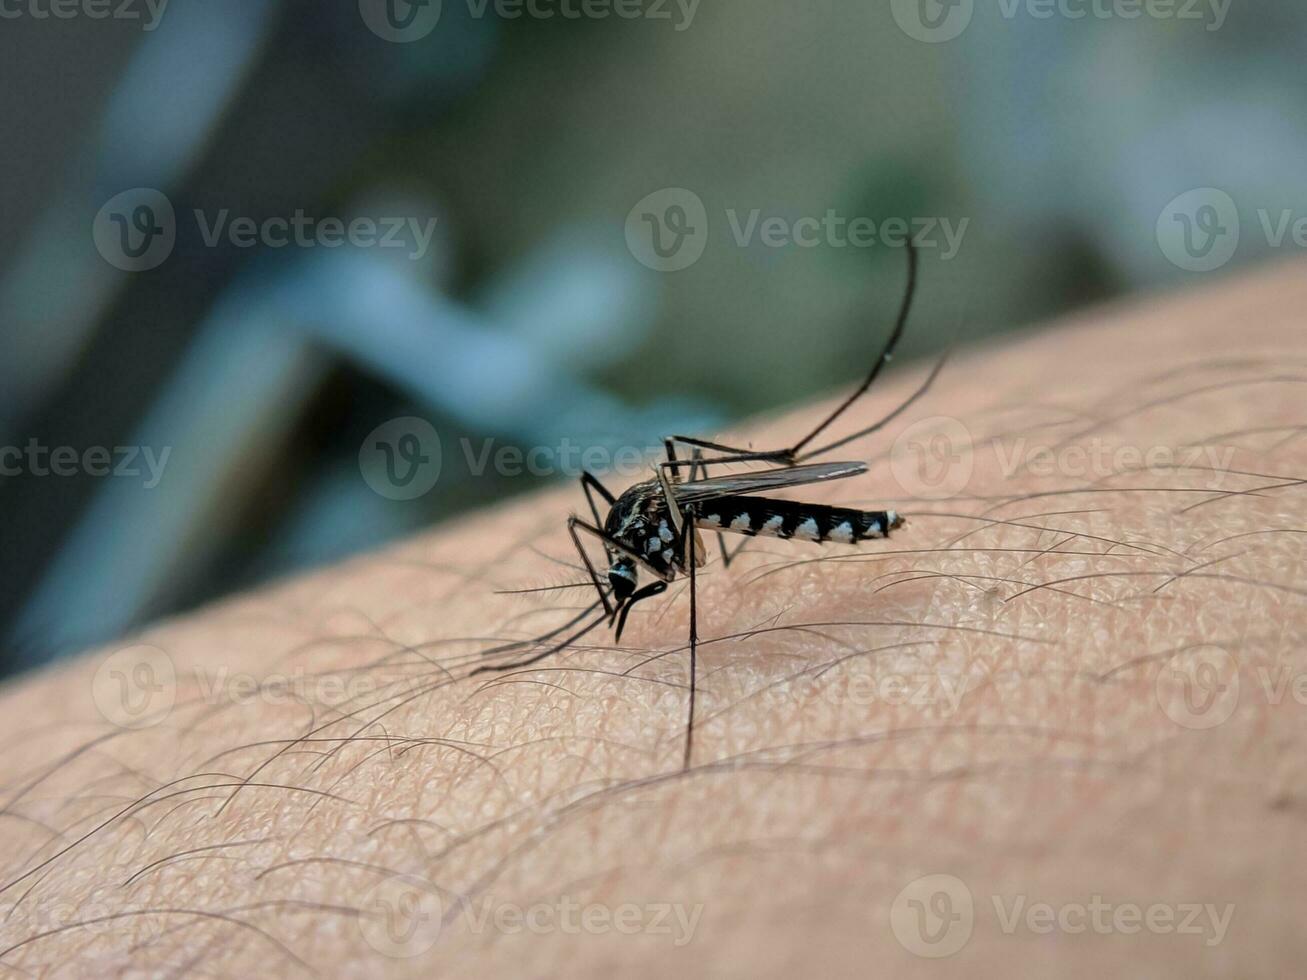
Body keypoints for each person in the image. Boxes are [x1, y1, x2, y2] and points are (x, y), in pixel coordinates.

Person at [0, 258, 1301, 977]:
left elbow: (656, 515)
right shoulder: (613, 543)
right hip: (676, 509)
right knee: (642, 493)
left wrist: (667, 592)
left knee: (690, 483)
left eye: (620, 592)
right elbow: (612, 528)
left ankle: (839, 435)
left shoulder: (654, 539)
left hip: (734, 497)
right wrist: (594, 604)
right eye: (618, 590)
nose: (621, 593)